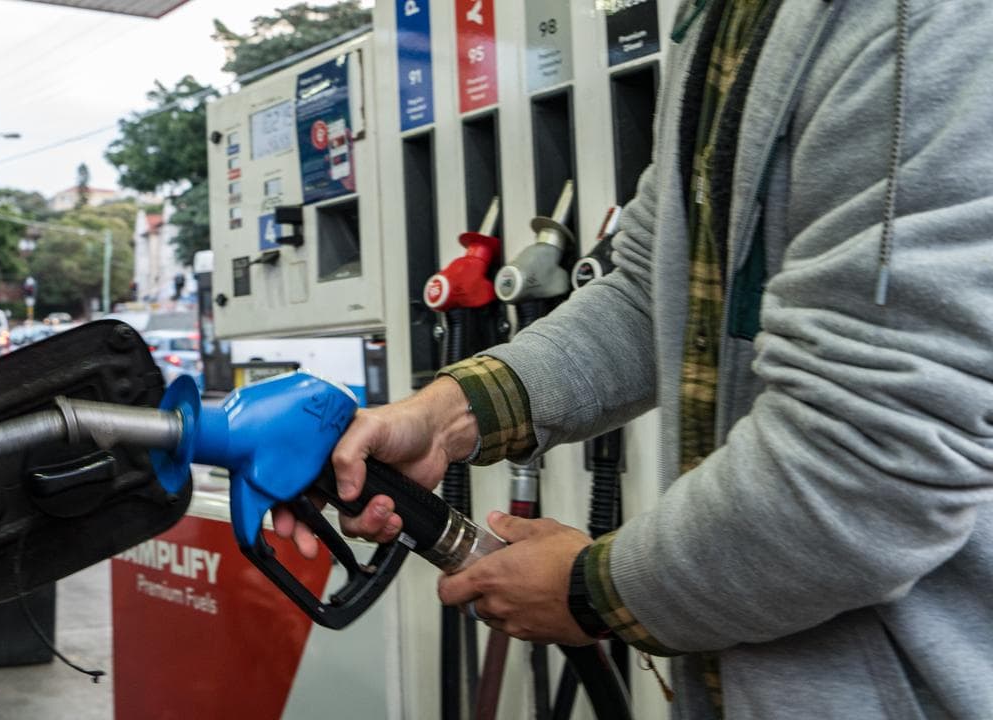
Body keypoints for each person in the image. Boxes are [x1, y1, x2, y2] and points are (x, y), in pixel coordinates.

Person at [274, 0, 993, 716]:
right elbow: (653, 285)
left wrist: (595, 589)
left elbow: (871, 459)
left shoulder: (920, 25)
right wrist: (447, 413)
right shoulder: (722, 17)